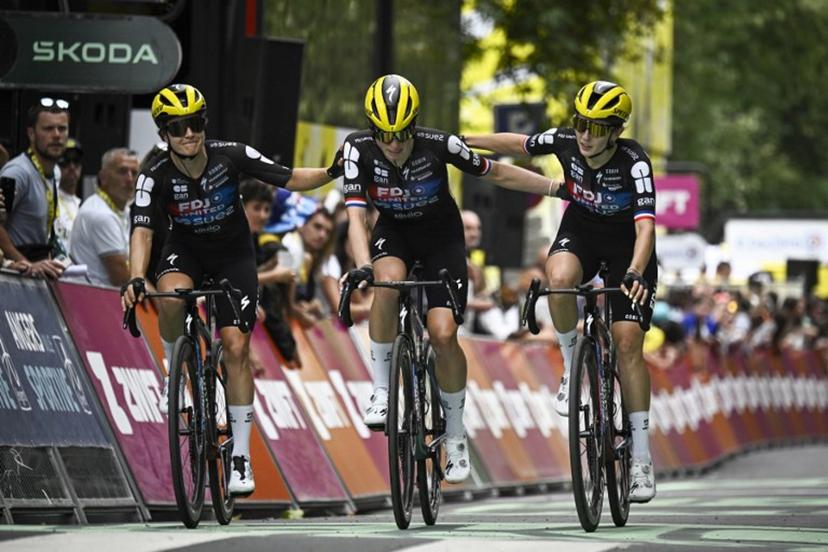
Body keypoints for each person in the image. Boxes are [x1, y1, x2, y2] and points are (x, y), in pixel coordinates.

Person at [120, 84, 342, 497]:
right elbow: (143, 230)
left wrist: (332, 172)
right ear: (163, 133)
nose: (189, 133)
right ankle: (174, 369)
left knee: (237, 348)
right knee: (169, 297)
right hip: (185, 251)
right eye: (177, 127)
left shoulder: (231, 155)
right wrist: (136, 276)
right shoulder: (154, 174)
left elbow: (290, 178)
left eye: (196, 124)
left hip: (234, 256)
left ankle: (239, 454)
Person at [342, 74, 559, 484]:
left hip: (442, 239)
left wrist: (554, 187)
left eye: (401, 133)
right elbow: (355, 217)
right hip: (394, 234)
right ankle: (380, 390)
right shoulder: (358, 148)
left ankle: (455, 434)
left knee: (442, 334)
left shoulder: (440, 145)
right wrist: (364, 266)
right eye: (384, 134)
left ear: (414, 124)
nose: (392, 143)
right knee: (386, 286)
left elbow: (496, 172)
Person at [465, 80, 658, 502]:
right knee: (559, 278)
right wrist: (464, 140)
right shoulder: (566, 142)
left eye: (596, 127)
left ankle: (641, 458)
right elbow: (518, 144)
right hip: (583, 231)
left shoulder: (634, 162)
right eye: (580, 124)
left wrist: (636, 272)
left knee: (628, 344)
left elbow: (645, 227)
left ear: (615, 130)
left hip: (628, 245)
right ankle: (573, 367)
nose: (585, 134)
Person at [0, 97, 71, 278]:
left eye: (62, 129)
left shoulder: (55, 171)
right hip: (14, 275)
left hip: (39, 265)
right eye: (48, 129)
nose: (56, 135)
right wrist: (27, 264)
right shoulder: (17, 173)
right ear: (31, 134)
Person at [70, 148, 139, 287]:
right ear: (103, 177)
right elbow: (122, 280)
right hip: (94, 300)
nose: (130, 179)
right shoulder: (101, 214)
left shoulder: (122, 208)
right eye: (122, 171)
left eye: (134, 173)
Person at [54, 138, 83, 255]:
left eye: (76, 161)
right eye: (65, 161)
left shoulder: (84, 206)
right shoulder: (50, 197)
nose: (72, 167)